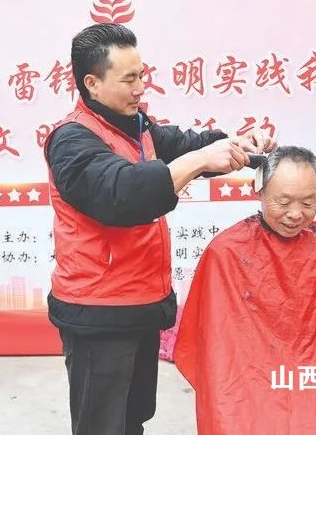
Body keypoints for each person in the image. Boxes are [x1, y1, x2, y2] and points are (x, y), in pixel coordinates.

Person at [44, 23, 275, 435]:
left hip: (141, 306)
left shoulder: (136, 126)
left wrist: (234, 144)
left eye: (142, 75)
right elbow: (122, 194)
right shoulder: (71, 141)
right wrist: (199, 161)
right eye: (128, 79)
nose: (140, 88)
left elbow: (185, 145)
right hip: (99, 315)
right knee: (102, 430)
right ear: (92, 83)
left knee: (133, 421)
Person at [173, 146, 316, 434]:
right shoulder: (227, 253)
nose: (295, 214)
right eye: (283, 202)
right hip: (249, 381)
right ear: (260, 191)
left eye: (308, 202)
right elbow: (214, 347)